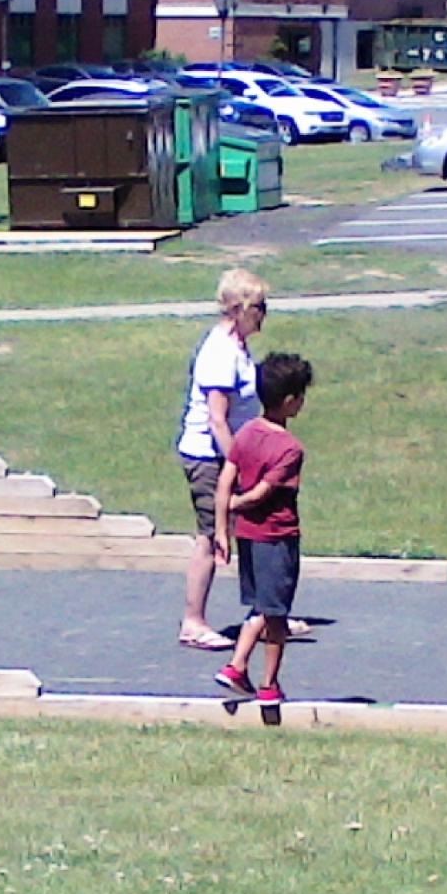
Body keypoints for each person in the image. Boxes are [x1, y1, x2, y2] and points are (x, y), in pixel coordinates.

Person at [174, 268, 269, 650]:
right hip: (209, 458)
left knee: (250, 529)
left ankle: (265, 614)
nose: (264, 314)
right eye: (259, 306)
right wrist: (239, 465)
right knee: (212, 535)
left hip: (229, 455)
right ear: (239, 309)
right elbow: (217, 419)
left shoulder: (238, 347)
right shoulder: (220, 352)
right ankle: (193, 622)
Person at [213, 353, 314, 706]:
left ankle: (237, 667)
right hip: (277, 538)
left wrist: (222, 528)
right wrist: (234, 505)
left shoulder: (246, 433)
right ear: (289, 401)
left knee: (261, 606)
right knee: (276, 616)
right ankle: (269, 684)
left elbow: (226, 480)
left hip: (248, 536)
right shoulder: (290, 449)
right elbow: (260, 493)